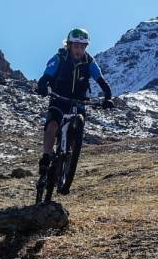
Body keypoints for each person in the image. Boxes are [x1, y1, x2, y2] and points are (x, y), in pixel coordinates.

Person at [35, 28, 114, 178]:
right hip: (59, 98)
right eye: (76, 46)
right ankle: (45, 157)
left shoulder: (89, 62)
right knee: (52, 125)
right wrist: (42, 86)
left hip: (79, 101)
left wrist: (108, 97)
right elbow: (46, 76)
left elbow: (101, 81)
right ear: (69, 45)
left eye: (83, 47)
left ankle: (68, 163)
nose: (79, 50)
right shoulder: (59, 58)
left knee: (76, 133)